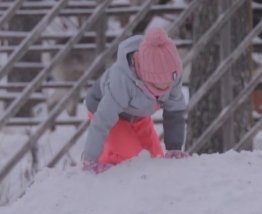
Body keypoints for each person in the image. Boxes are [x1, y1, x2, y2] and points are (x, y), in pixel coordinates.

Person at [81, 27, 188, 173]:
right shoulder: (123, 80)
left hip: (138, 115)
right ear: (147, 77)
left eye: (171, 82)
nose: (168, 87)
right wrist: (90, 159)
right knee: (130, 158)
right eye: (161, 83)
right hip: (107, 111)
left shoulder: (172, 75)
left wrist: (174, 148)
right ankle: (107, 160)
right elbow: (102, 120)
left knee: (154, 158)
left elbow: (174, 111)